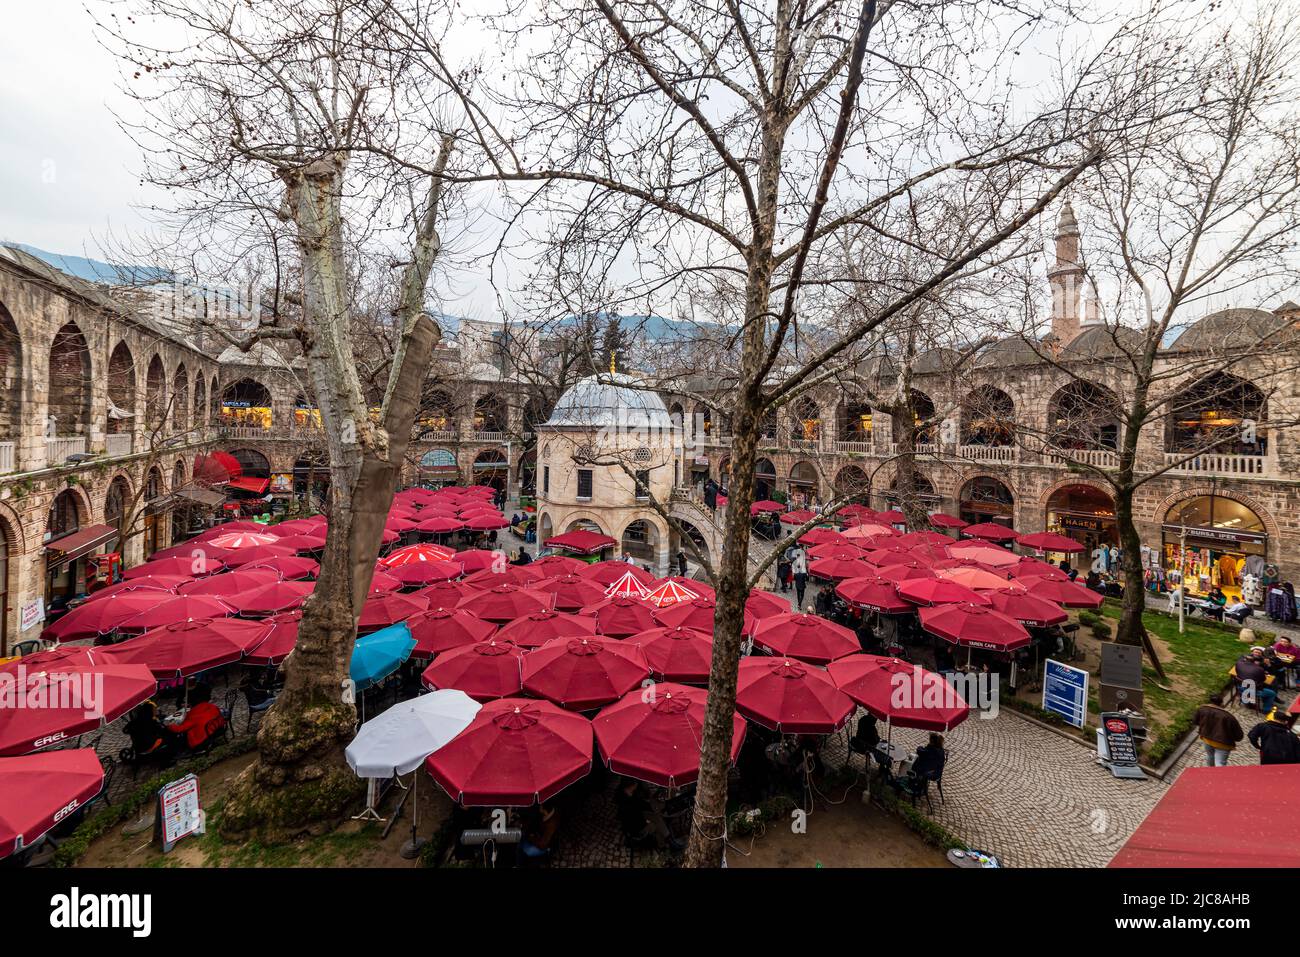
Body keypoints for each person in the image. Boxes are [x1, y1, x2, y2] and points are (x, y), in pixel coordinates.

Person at [165, 685, 225, 753]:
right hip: (215, 730)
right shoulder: (210, 706)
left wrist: (169, 726)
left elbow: (180, 729)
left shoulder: (194, 715)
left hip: (201, 740)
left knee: (177, 736)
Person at [1193, 701, 1244, 766]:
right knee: (1220, 763)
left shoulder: (1202, 709)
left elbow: (1195, 721)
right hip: (1223, 744)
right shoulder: (1228, 717)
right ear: (1221, 703)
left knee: (1210, 756)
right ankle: (1219, 776)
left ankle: (1210, 773)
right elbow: (1239, 736)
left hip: (1207, 740)